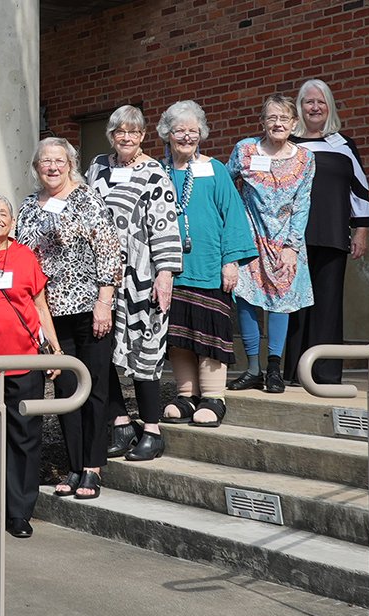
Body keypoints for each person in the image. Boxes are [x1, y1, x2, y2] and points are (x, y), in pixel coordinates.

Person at [16, 137, 120, 499]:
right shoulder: (28, 206)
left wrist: (104, 301)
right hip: (49, 313)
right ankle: (74, 466)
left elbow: (108, 250)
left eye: (59, 160)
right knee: (64, 390)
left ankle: (92, 467)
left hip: (90, 310)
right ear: (36, 166)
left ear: (70, 163)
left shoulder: (87, 198)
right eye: (45, 161)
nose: (52, 167)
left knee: (93, 389)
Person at [86, 105, 182, 462]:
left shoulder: (154, 172)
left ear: (143, 136)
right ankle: (122, 422)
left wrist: (165, 273)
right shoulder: (97, 166)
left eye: (134, 132)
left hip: (142, 277)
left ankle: (152, 430)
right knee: (101, 349)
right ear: (110, 135)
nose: (126, 137)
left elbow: (166, 225)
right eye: (119, 131)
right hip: (101, 277)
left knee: (147, 349)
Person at [154, 101, 258, 426]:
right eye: (179, 130)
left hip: (211, 267)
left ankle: (214, 396)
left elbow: (234, 217)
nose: (186, 136)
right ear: (167, 135)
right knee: (179, 334)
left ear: (201, 133)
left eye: (192, 130)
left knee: (209, 332)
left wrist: (231, 261)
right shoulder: (158, 172)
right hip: (172, 270)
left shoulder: (215, 170)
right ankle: (186, 395)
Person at [0, 194, 60, 538]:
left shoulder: (25, 256)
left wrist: (55, 350)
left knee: (24, 439)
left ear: (13, 221)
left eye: (4, 213)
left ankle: (19, 512)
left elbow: (39, 305)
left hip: (25, 362)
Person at [284, 79, 369, 385]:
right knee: (296, 305)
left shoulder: (343, 144)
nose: (314, 107)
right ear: (300, 107)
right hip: (293, 239)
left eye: (320, 101)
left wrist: (360, 230)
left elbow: (359, 190)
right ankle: (294, 371)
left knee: (329, 303)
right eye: (308, 101)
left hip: (334, 234)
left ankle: (325, 372)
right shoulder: (288, 144)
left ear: (329, 106)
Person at [227, 94, 315, 394]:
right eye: (271, 118)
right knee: (247, 300)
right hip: (249, 237)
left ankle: (274, 368)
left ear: (294, 123)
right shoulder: (245, 150)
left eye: (284, 118)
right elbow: (226, 187)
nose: (277, 123)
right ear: (262, 122)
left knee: (283, 301)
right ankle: (252, 368)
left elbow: (303, 204)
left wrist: (292, 246)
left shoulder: (305, 158)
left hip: (286, 241)